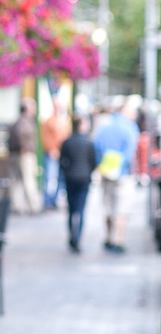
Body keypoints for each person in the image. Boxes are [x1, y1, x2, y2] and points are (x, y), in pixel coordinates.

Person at [93, 96, 141, 253]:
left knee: (108, 206)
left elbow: (97, 147)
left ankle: (108, 238)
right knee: (122, 208)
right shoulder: (131, 128)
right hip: (123, 174)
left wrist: (104, 165)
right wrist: (118, 166)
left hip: (106, 172)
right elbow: (129, 153)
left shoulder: (104, 127)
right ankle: (117, 240)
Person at [59, 115, 95, 253]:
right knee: (80, 210)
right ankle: (77, 237)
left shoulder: (67, 142)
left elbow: (62, 161)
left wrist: (67, 172)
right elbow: (93, 162)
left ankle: (71, 236)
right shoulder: (88, 142)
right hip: (84, 179)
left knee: (71, 209)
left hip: (71, 178)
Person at [7, 99, 41, 215]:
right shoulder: (24, 121)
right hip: (24, 155)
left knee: (17, 181)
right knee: (28, 180)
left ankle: (16, 205)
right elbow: (20, 134)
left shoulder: (20, 121)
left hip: (18, 154)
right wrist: (23, 148)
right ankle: (33, 206)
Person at [41, 99, 72, 210]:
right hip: (53, 154)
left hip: (62, 154)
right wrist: (52, 149)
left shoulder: (64, 121)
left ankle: (55, 200)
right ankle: (48, 201)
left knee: (61, 178)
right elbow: (46, 137)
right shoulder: (49, 121)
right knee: (50, 178)